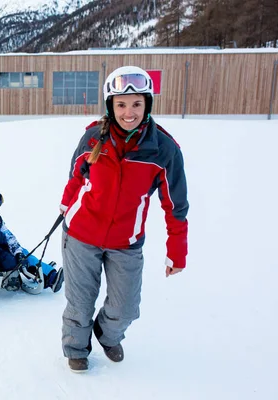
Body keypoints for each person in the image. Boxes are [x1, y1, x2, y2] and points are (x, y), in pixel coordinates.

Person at [59, 66, 189, 372]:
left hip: (126, 242)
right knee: (80, 302)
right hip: (81, 235)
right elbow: (76, 175)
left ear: (147, 104)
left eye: (136, 104)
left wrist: (177, 250)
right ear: (110, 106)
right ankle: (76, 348)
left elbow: (175, 205)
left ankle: (107, 333)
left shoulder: (163, 150)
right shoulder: (93, 137)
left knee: (126, 307)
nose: (128, 112)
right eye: (121, 104)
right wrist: (66, 204)